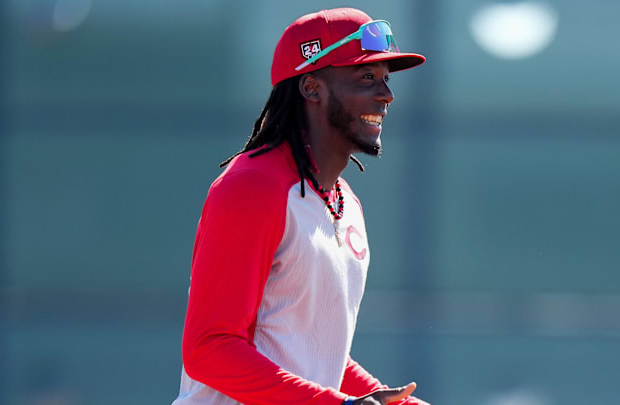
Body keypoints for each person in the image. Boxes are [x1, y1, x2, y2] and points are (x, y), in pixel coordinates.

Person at [172, 8, 428, 405]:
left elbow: (313, 353)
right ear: (311, 87)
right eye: (366, 78)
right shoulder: (252, 188)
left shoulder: (348, 205)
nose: (386, 95)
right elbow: (211, 348)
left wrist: (384, 400)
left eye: (385, 79)